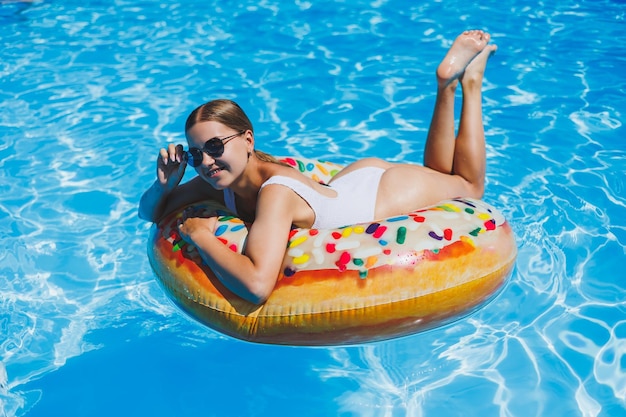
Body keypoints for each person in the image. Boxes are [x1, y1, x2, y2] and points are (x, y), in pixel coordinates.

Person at [139, 30, 498, 305]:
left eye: (215, 147)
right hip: (347, 184)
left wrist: (201, 237)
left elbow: (257, 286)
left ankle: (467, 83)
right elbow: (152, 214)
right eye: (195, 153)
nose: (206, 161)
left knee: (467, 184)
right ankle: (447, 85)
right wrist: (165, 184)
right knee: (439, 172)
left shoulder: (274, 193)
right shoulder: (219, 180)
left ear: (248, 140)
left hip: (383, 192)